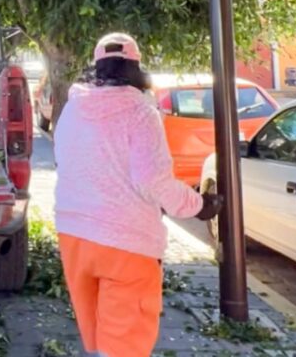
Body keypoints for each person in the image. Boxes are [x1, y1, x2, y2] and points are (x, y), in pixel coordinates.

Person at [54, 33, 223, 357]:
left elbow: (65, 161)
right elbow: (153, 180)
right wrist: (198, 205)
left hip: (74, 237)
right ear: (136, 68)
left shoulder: (72, 110)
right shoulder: (141, 113)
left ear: (96, 69)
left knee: (98, 336)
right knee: (123, 344)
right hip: (126, 243)